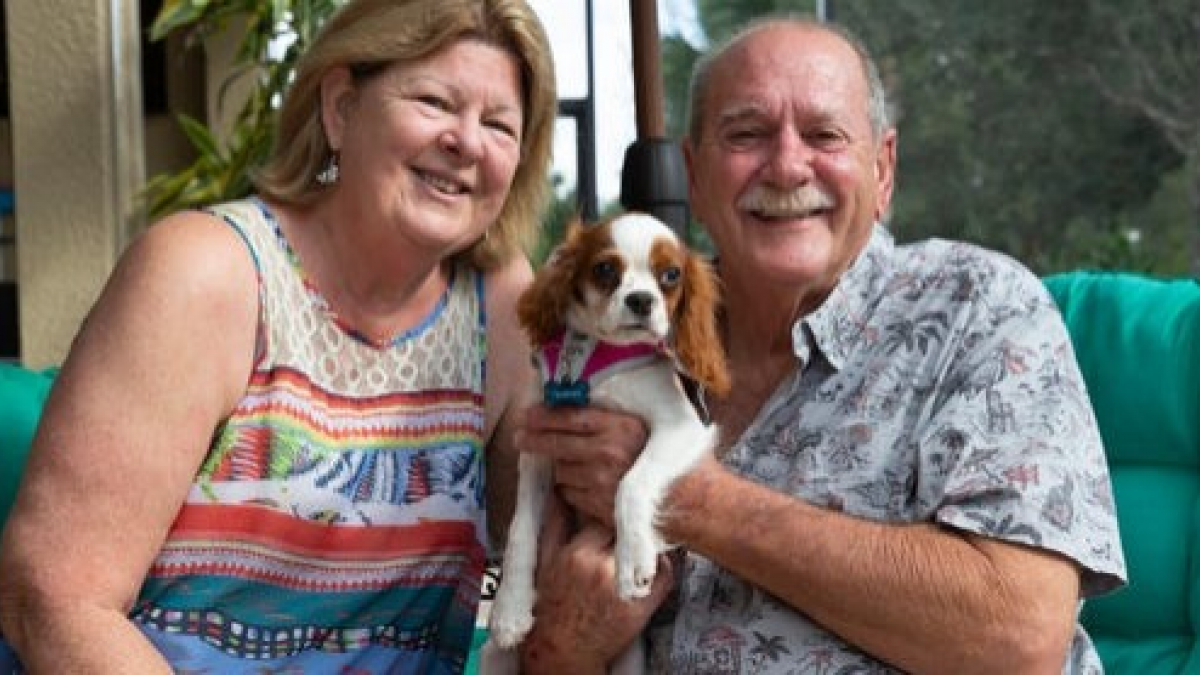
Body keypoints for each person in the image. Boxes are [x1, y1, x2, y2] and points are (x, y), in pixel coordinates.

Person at [516, 15, 1126, 675]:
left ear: (882, 168)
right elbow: (552, 625)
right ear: (693, 175)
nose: (784, 165)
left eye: (824, 134)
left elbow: (1019, 635)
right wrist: (565, 648)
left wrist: (692, 499)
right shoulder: (617, 349)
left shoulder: (977, 307)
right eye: (746, 134)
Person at [0, 0, 555, 672]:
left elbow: (545, 562)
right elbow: (54, 596)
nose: (467, 141)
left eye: (499, 124)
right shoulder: (206, 274)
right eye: (436, 102)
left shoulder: (499, 307)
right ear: (341, 108)